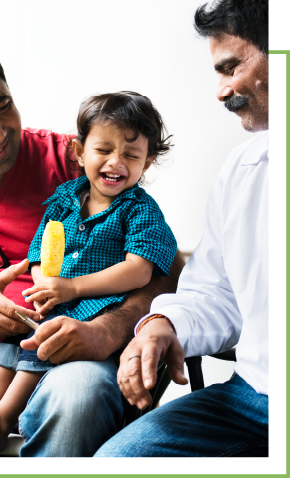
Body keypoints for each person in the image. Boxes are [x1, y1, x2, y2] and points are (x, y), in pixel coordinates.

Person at [0, 42, 184, 457]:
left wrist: (106, 331)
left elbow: (166, 269)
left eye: (2, 107)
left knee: (78, 397)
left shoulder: (79, 160)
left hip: (73, 354)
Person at [95, 0, 269, 457]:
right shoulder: (244, 169)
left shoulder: (143, 216)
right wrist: (160, 326)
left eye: (231, 67)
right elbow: (216, 293)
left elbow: (140, 268)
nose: (221, 90)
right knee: (115, 462)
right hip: (253, 397)